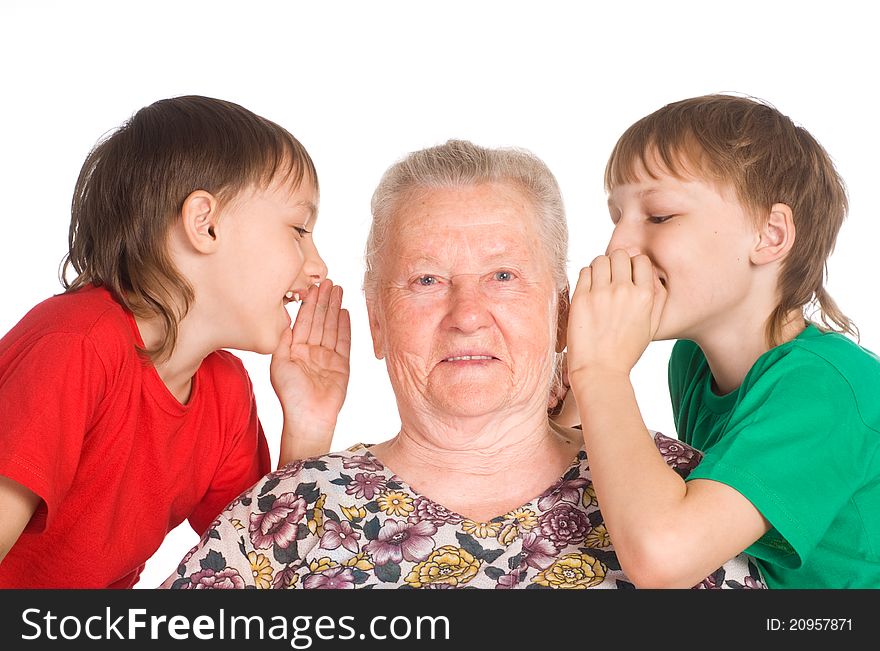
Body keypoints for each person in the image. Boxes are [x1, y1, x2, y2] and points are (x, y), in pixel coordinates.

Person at [160, 139, 763, 589]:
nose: (466, 314)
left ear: (561, 314)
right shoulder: (286, 511)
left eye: (503, 277)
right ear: (377, 321)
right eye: (426, 280)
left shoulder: (690, 495)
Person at [0, 95, 351, 588]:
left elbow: (261, 566)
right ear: (204, 223)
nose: (318, 267)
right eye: (299, 230)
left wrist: (308, 429)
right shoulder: (76, 344)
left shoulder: (225, 391)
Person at [566, 94, 880, 588]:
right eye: (616, 217)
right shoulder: (690, 361)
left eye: (660, 215)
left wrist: (601, 374)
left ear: (769, 236)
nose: (618, 246)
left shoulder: (827, 390)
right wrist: (571, 370)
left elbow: (664, 556)